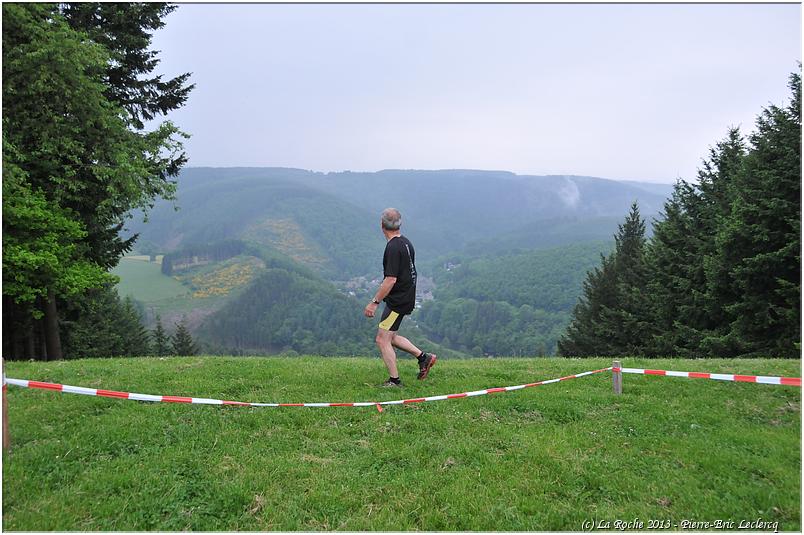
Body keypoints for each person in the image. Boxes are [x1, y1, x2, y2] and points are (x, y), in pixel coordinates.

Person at [364, 208, 436, 387]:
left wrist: (374, 303)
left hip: (398, 301)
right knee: (391, 336)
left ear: (382, 226)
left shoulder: (392, 247)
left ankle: (395, 381)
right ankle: (423, 358)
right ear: (400, 224)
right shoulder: (405, 242)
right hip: (406, 296)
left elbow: (390, 280)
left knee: (382, 339)